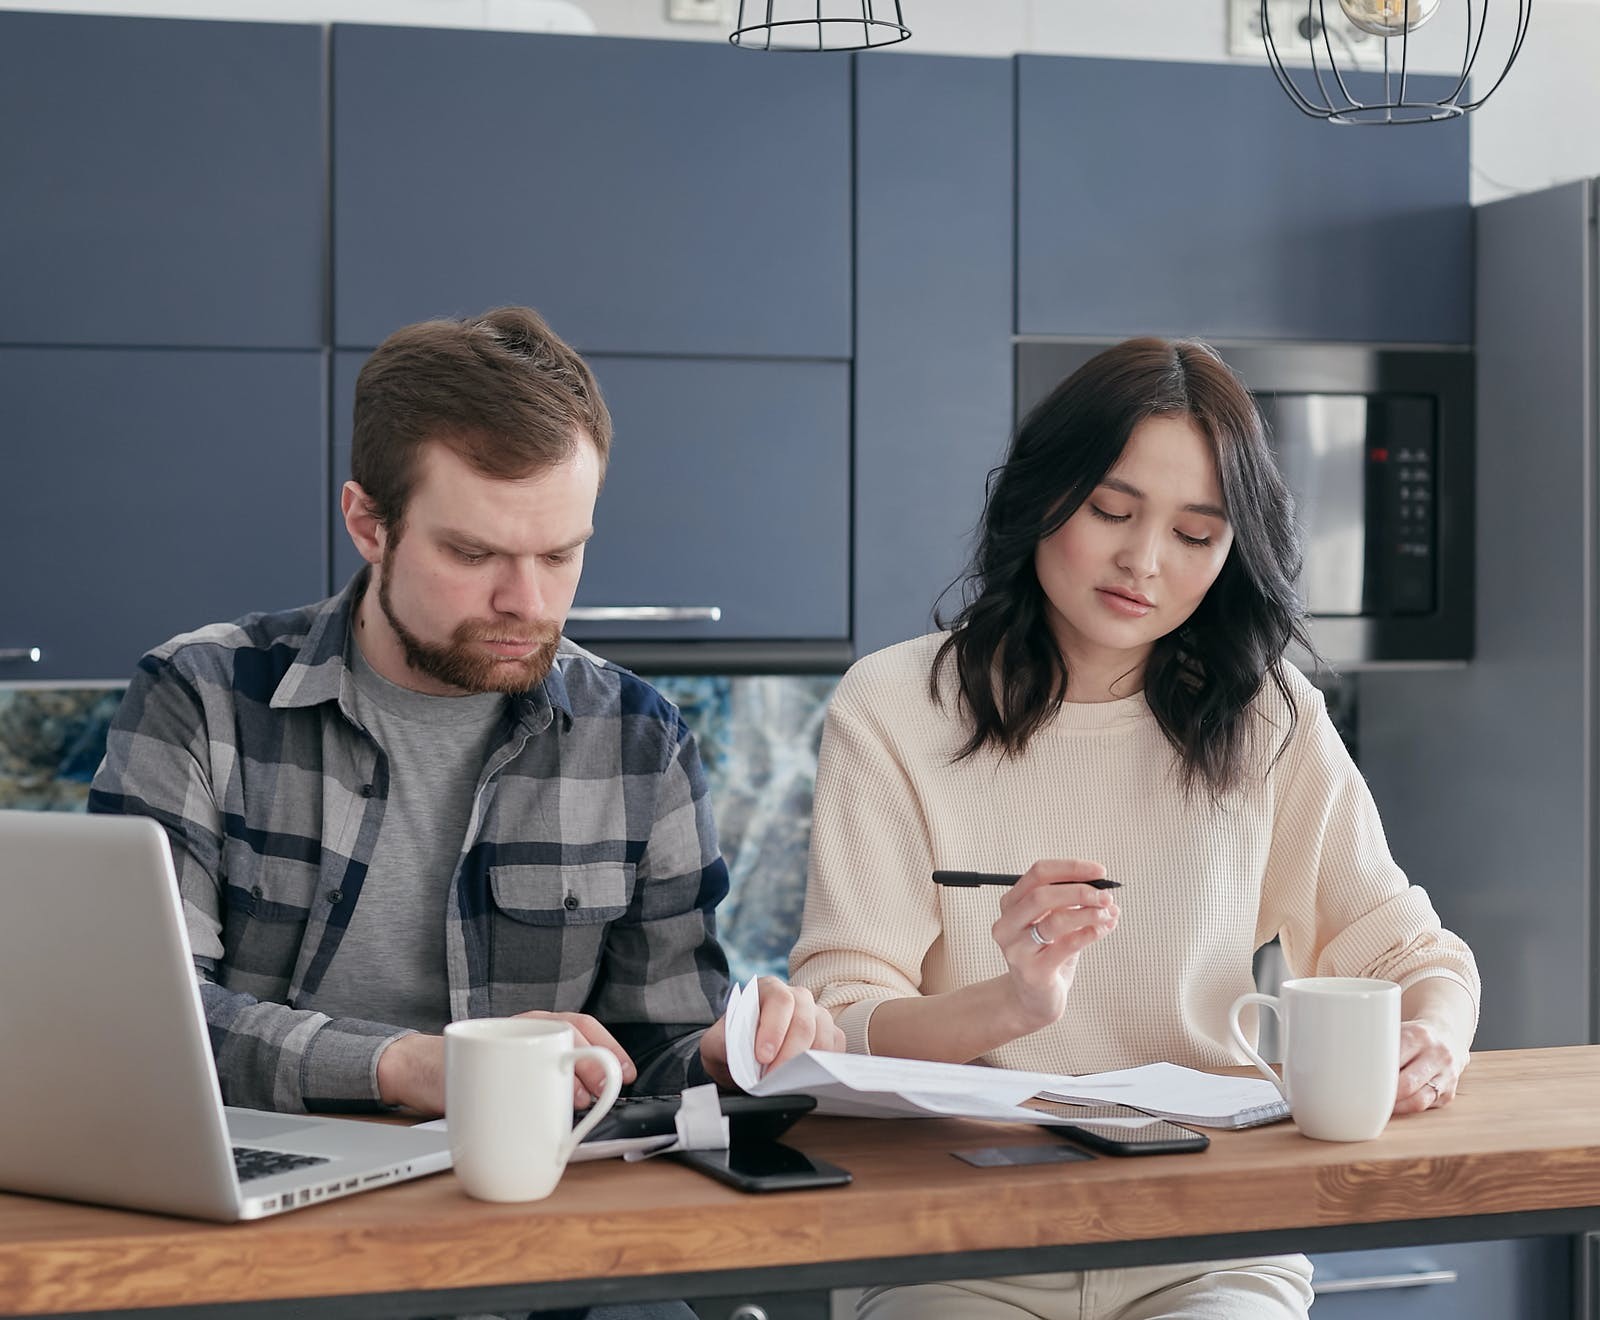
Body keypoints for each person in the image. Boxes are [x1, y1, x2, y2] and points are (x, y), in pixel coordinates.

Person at [89, 306, 841, 1319]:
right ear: (368, 523)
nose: (526, 601)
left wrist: (721, 1054)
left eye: (560, 554)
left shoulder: (636, 735)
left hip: (537, 1246)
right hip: (267, 1236)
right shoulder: (203, 698)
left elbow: (654, 1051)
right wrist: (411, 1067)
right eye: (476, 553)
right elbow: (143, 1030)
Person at [790, 336, 1479, 1320]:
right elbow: (840, 1017)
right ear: (1043, 495)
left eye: (1195, 535)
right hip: (951, 1236)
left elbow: (1411, 949)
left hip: (1207, 1236)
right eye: (1111, 511)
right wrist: (1011, 1005)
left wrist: (1435, 1036)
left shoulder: (1268, 717)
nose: (1141, 562)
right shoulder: (895, 705)